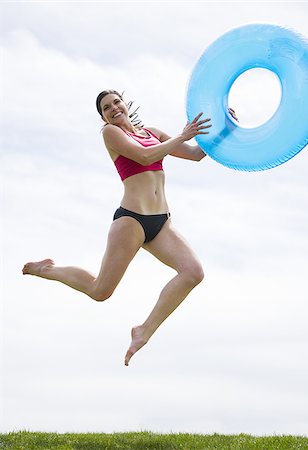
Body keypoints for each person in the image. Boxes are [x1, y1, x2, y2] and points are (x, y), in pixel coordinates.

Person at [22, 89, 213, 366]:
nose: (113, 109)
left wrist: (224, 130)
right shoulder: (111, 134)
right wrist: (181, 136)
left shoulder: (153, 132)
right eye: (106, 108)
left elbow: (196, 154)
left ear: (125, 103)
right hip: (132, 220)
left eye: (116, 102)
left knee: (193, 272)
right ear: (103, 116)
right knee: (101, 290)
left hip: (162, 223)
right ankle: (47, 269)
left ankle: (144, 330)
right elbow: (145, 157)